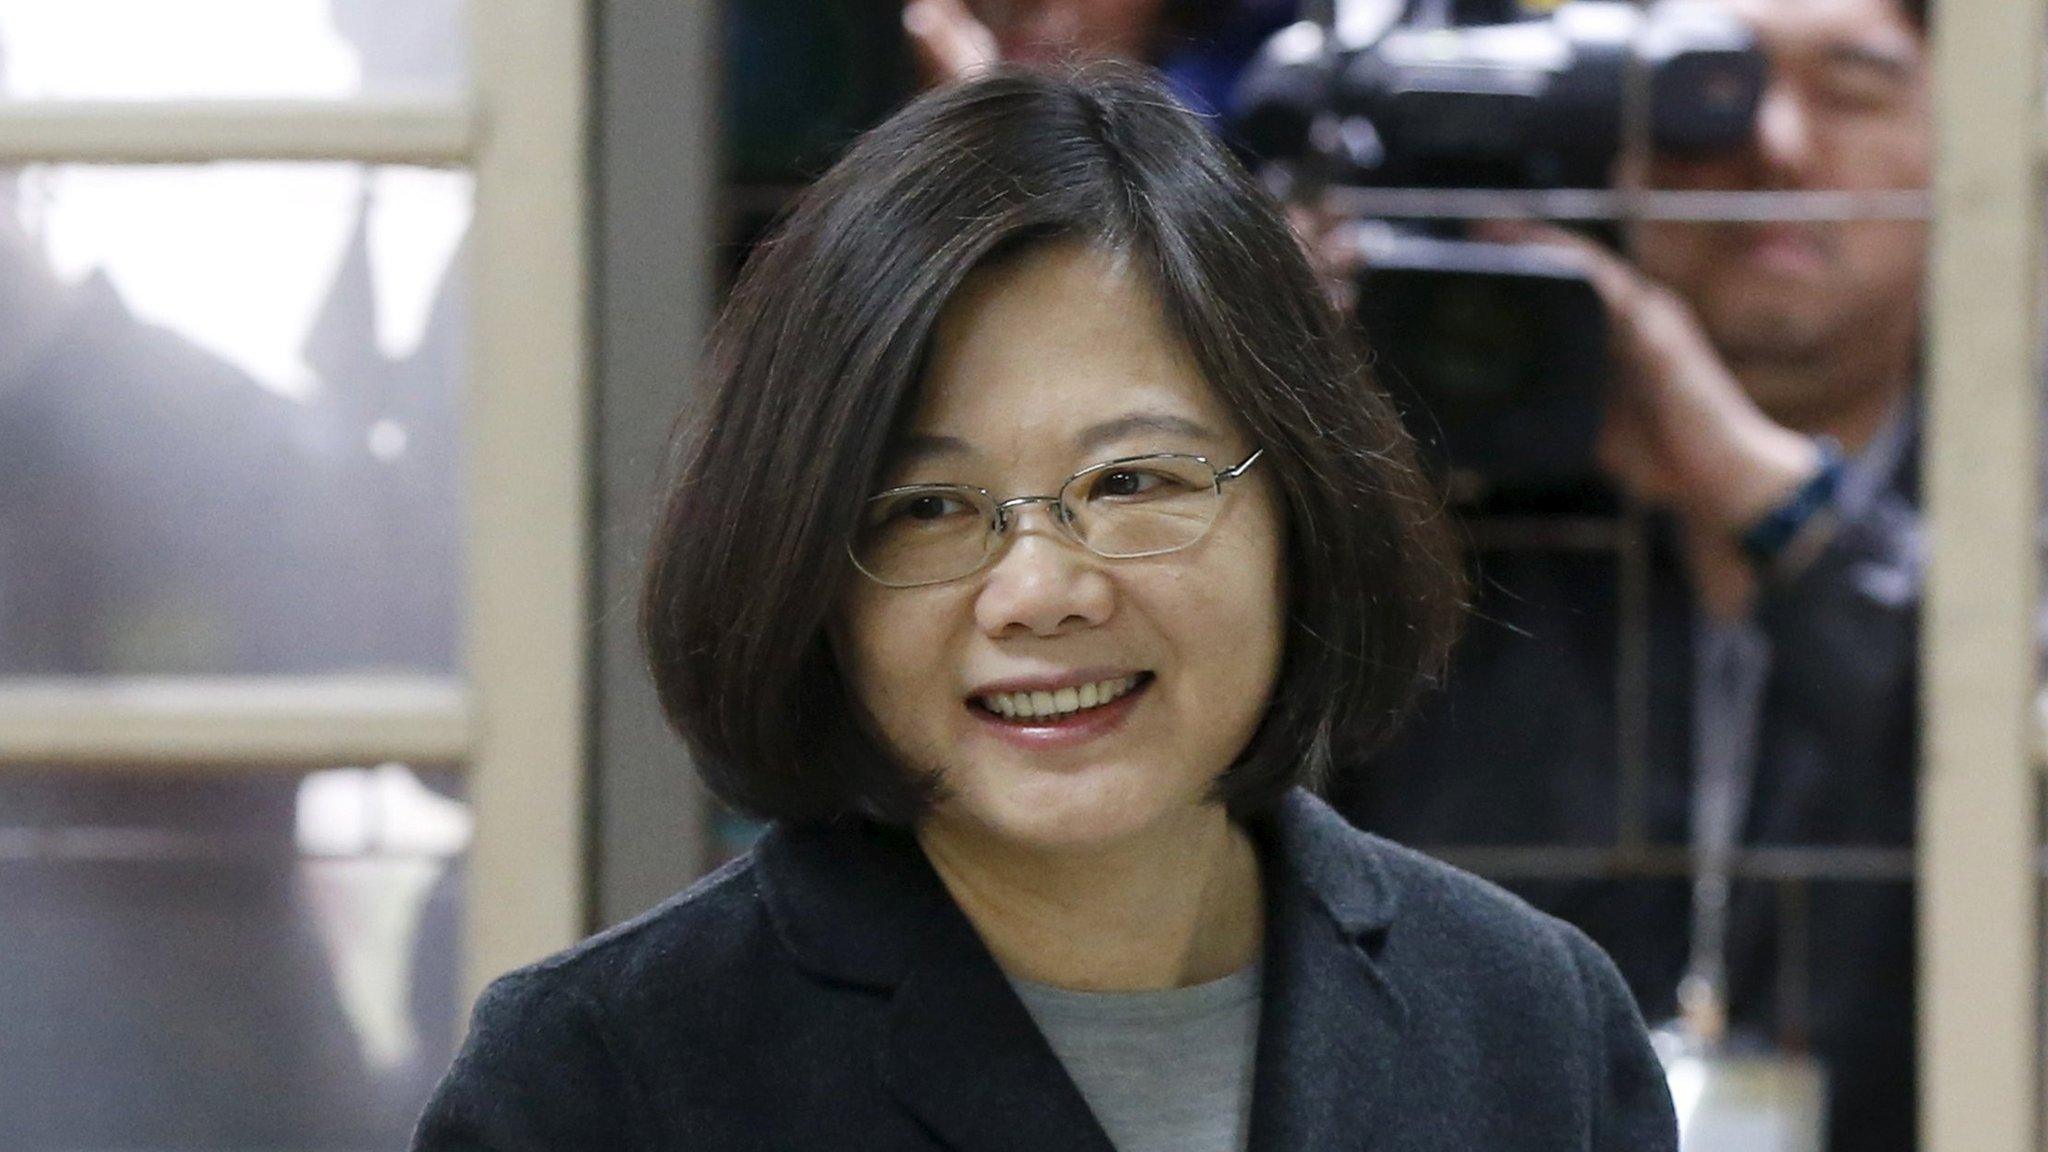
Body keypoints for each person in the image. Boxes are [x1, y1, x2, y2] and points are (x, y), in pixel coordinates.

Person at [414, 65, 1677, 1151]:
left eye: (1132, 482)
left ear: (1299, 502)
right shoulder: (600, 1080)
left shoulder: (1531, 1026)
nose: (1038, 594)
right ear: (806, 564)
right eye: (924, 508)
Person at [1333, 0, 1931, 1149]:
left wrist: (1777, 507)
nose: (1777, 148)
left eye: (1851, 92)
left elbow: (2010, 747)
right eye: (1708, 95)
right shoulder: (1457, 509)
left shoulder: (2014, 499)